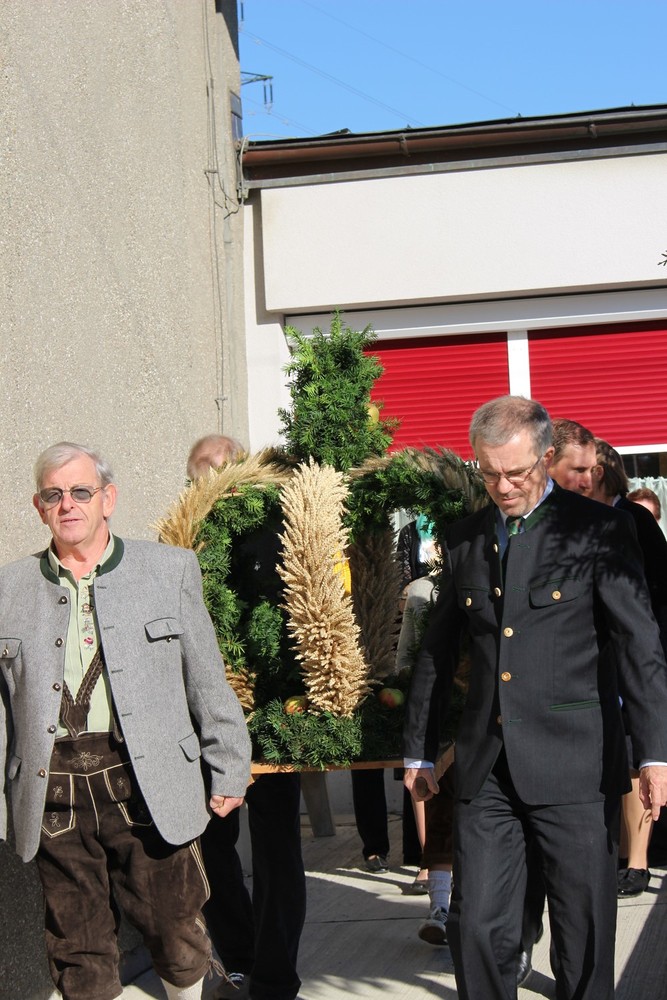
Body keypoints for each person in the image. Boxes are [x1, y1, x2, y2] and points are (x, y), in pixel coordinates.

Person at [403, 395, 667, 1000]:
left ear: (546, 458)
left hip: (575, 765)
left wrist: (655, 754)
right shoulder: (466, 538)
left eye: (516, 472)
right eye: (489, 473)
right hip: (488, 767)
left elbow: (639, 644)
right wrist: (418, 750)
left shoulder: (599, 529)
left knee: (583, 928)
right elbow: (436, 652)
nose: (503, 486)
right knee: (476, 926)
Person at [0, 442, 251, 1000]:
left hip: (146, 780)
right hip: (53, 792)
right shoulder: (8, 589)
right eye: (53, 495)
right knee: (77, 945)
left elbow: (205, 677)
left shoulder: (169, 569)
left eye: (81, 491)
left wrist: (230, 764)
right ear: (39, 507)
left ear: (107, 499)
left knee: (175, 927)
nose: (68, 504)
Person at [187, 434, 307, 1000]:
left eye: (225, 471)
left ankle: (276, 977)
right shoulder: (185, 540)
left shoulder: (279, 533)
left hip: (272, 712)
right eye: (204, 476)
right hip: (207, 720)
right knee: (212, 843)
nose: (216, 485)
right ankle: (238, 956)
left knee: (277, 846)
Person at [589, 438, 667, 898]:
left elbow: (656, 595)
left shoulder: (633, 519)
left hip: (633, 658)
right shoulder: (582, 520)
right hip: (598, 661)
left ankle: (636, 862)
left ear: (599, 473)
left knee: (637, 756)